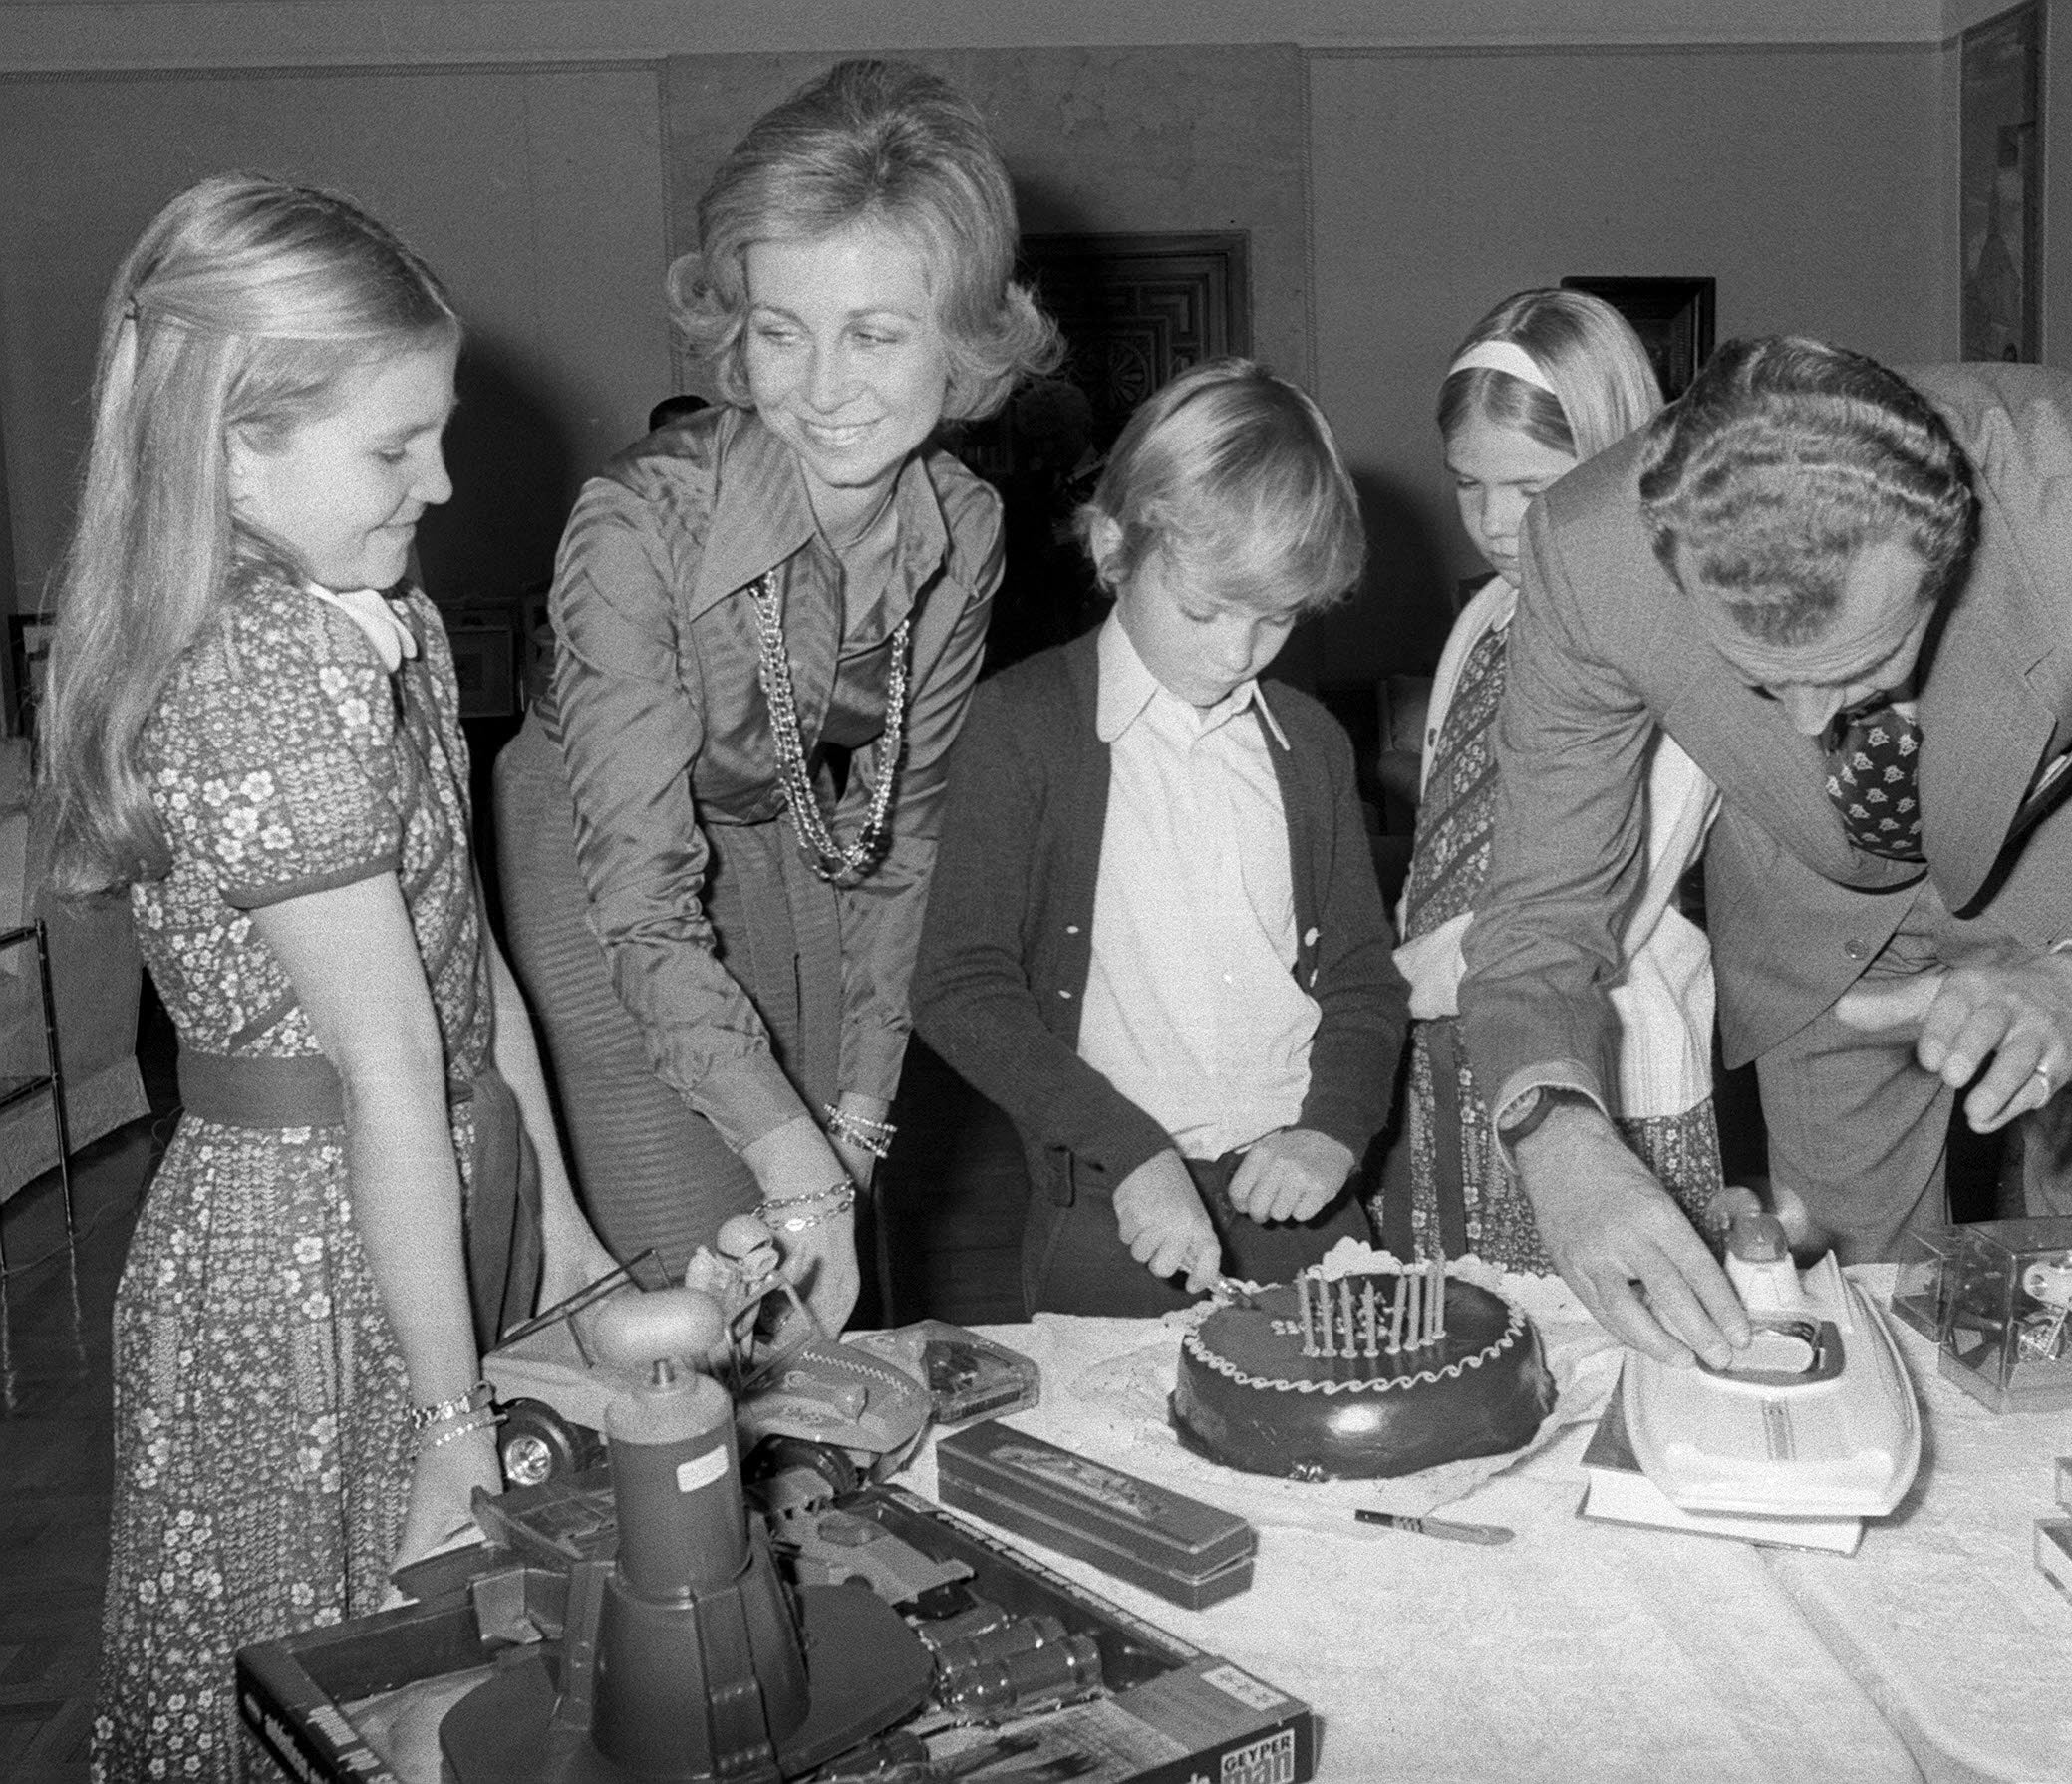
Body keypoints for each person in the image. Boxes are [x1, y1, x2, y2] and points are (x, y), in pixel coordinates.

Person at [40, 173, 613, 1779]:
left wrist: (560, 1221)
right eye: (391, 445)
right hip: (294, 1255)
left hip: (414, 1205)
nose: (439, 476)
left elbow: (465, 953)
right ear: (230, 437)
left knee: (422, 1672)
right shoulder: (259, 660)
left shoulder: (385, 618)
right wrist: (451, 1425)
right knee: (330, 1695)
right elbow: (379, 1065)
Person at [1462, 336, 2072, 1368]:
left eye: (1857, 667)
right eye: (1762, 681)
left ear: (1947, 552)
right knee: (1858, 1333)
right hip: (1817, 930)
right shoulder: (1589, 556)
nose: (1813, 724)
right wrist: (1558, 1137)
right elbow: (1538, 921)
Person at [493, 61, 1059, 1316]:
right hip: (603, 853)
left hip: (803, 833)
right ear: (733, 328)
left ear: (963, 341)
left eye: (876, 332)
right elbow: (639, 898)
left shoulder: (965, 526)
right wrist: (800, 1172)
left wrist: (852, 1126)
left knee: (831, 1236)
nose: (821, 387)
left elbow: (907, 838)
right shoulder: (635, 524)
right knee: (694, 1264)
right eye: (780, 329)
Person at [913, 360, 1408, 1316]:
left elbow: (1361, 977)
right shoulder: (1020, 730)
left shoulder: (1307, 744)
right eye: (1202, 610)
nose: (1237, 654)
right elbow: (958, 987)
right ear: (1113, 547)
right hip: (1113, 1204)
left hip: (1302, 1199)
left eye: (1275, 618)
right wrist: (1126, 1146)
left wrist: (1333, 1133)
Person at [1380, 291, 1720, 1270]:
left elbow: (1636, 879)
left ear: (1616, 464)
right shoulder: (1483, 618)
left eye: (1531, 489)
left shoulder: (1665, 627)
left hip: (1595, 1045)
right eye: (1467, 485)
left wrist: (1419, 978)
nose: (1493, 523)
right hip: (1448, 1032)